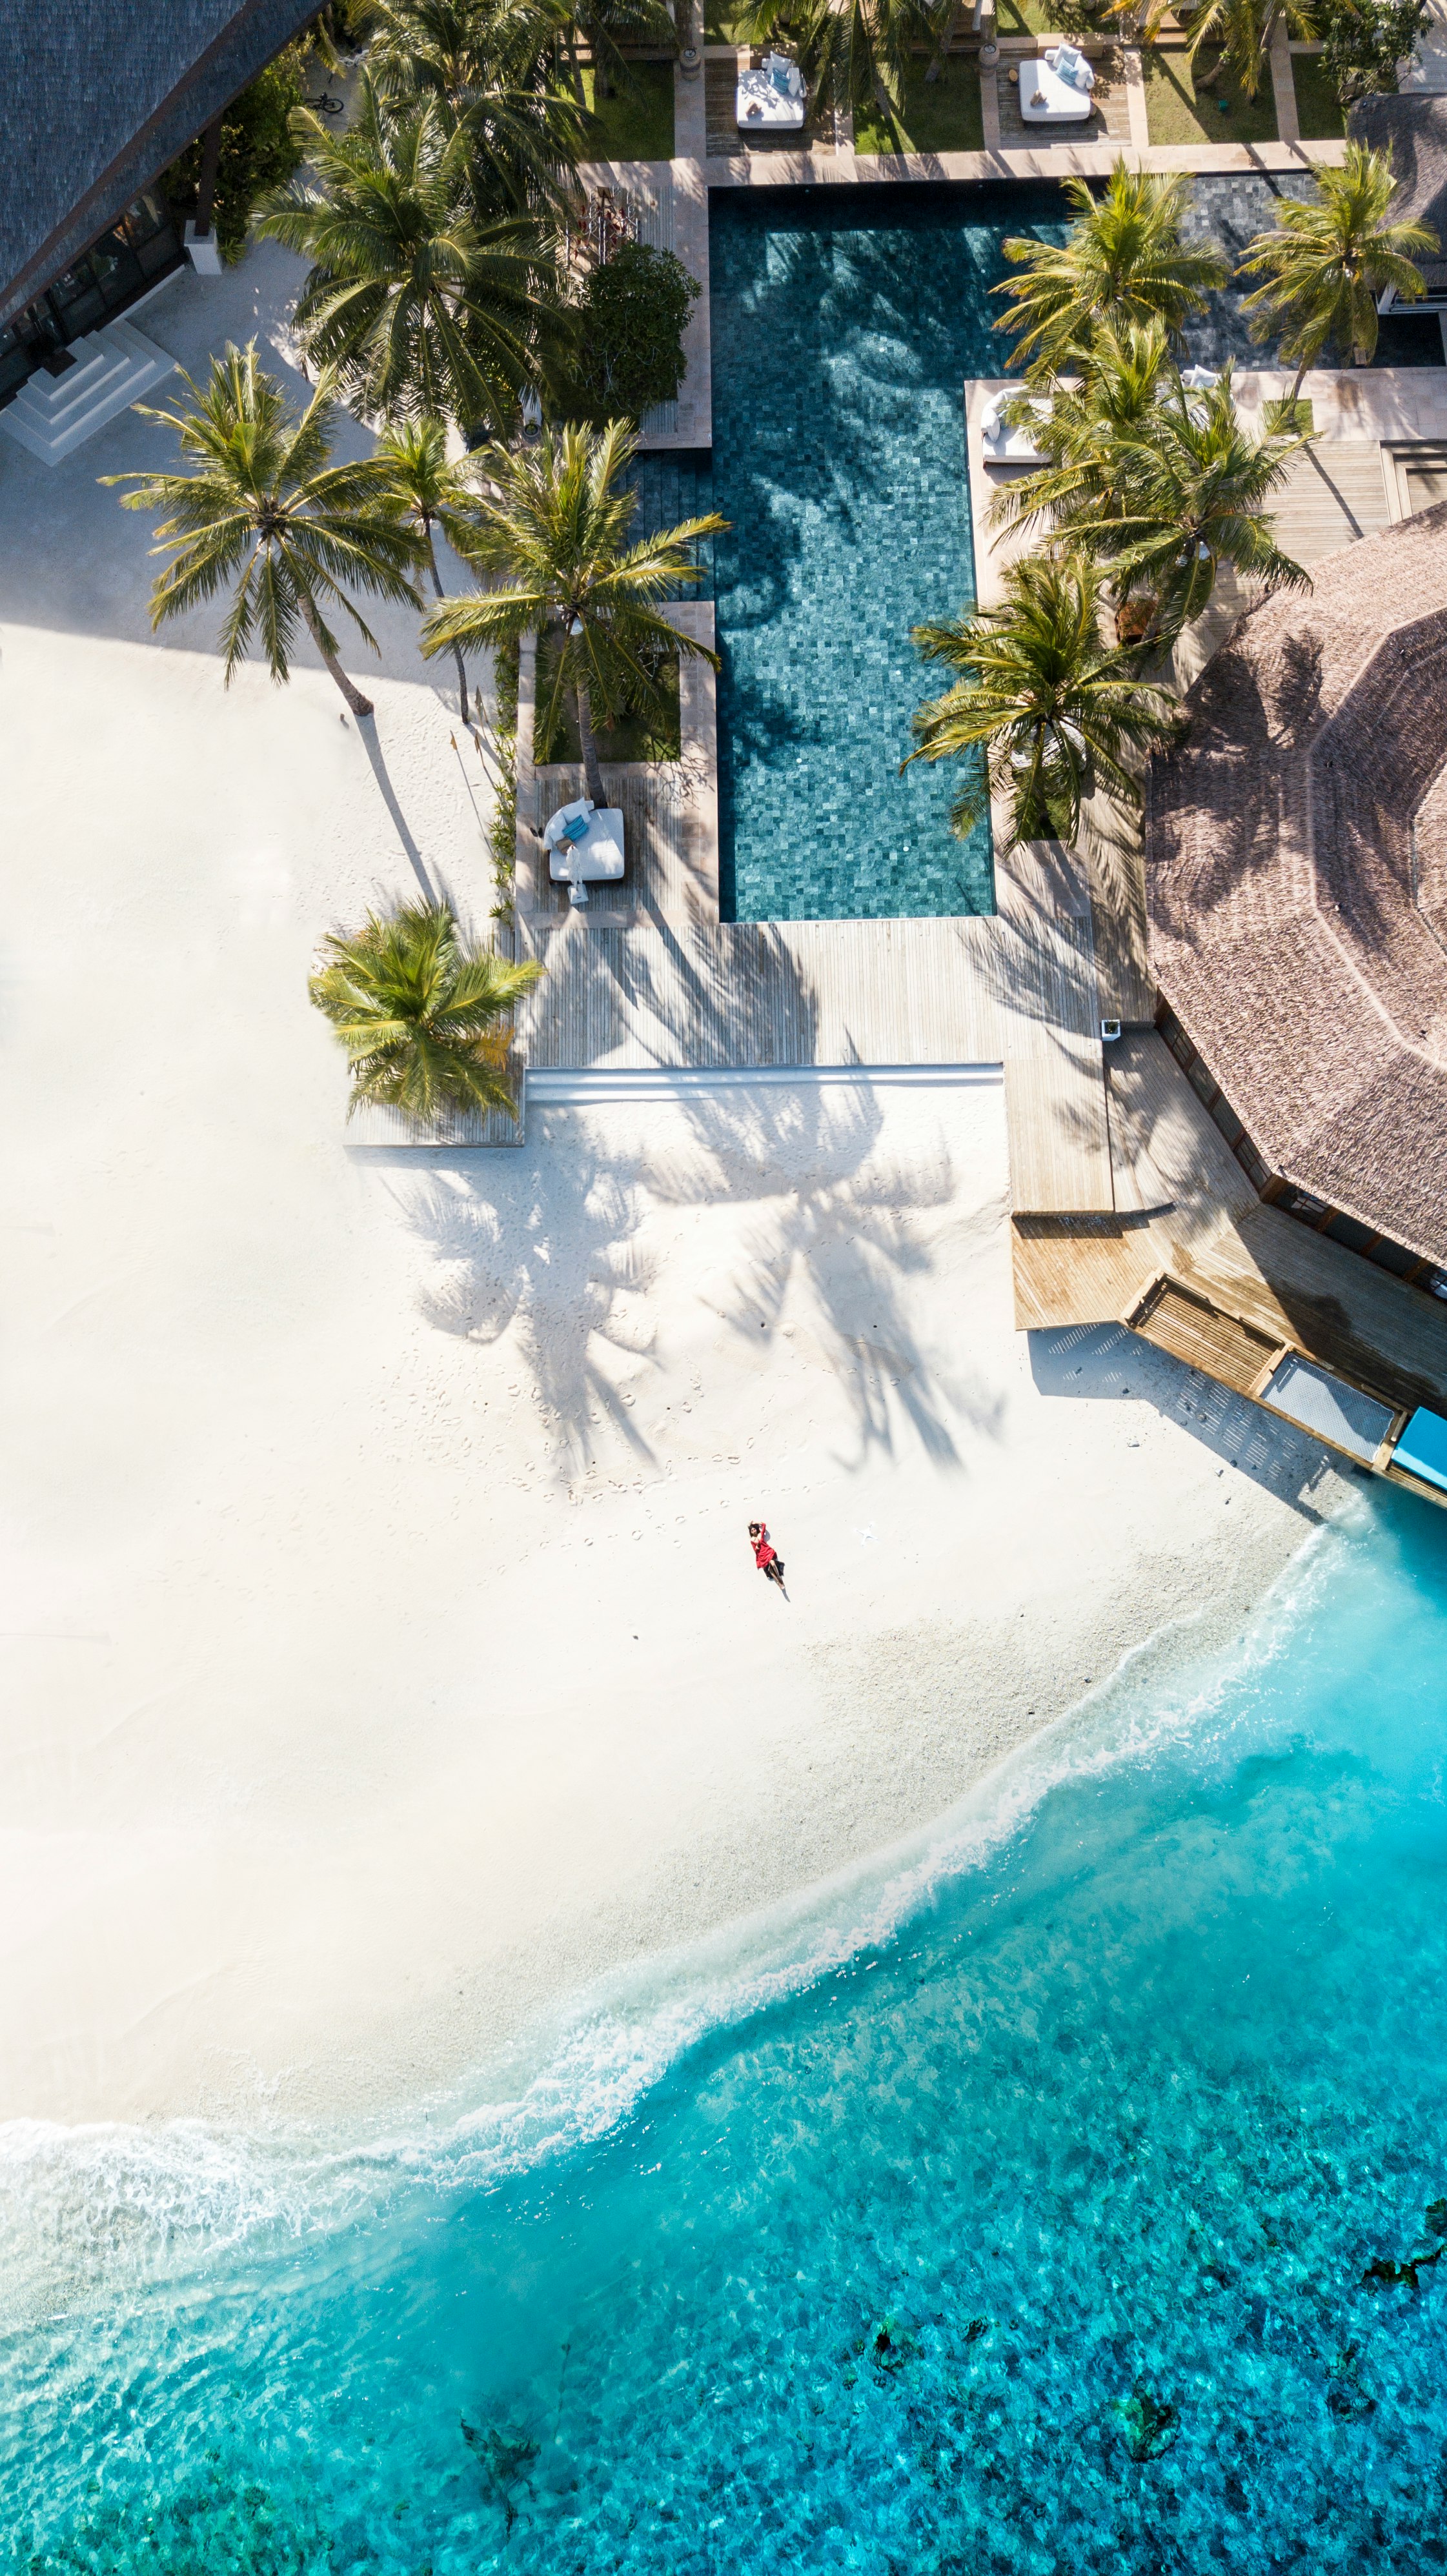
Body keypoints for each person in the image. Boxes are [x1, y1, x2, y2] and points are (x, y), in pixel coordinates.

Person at [748, 1520, 786, 1592]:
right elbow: (755, 1550)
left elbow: (764, 1525)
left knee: (773, 1563)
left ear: (756, 1529)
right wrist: (757, 1547)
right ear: (751, 1532)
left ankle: (779, 1577)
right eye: (752, 1531)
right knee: (770, 1569)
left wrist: (757, 1523)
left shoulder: (760, 1535)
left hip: (768, 1551)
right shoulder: (752, 1540)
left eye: (754, 1529)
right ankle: (778, 1583)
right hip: (762, 1555)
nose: (754, 1531)